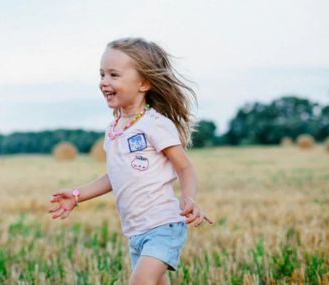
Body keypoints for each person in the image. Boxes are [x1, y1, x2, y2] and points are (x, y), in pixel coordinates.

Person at [48, 37, 213, 285]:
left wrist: (188, 198)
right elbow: (115, 175)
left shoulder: (156, 125)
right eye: (102, 74)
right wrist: (77, 195)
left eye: (114, 75)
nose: (104, 82)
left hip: (163, 226)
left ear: (144, 82)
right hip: (136, 232)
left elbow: (184, 167)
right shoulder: (114, 129)